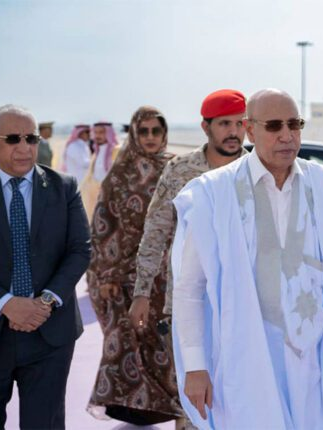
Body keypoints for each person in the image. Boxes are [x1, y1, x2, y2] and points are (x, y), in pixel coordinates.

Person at [170, 89, 323, 429]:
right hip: (245, 359)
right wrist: (195, 366)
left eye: (294, 124)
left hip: (312, 360)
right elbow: (190, 288)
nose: (287, 135)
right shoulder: (214, 193)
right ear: (250, 130)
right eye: (274, 126)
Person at [131, 89, 248, 430]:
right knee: (194, 399)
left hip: (245, 302)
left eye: (240, 123)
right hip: (189, 301)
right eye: (224, 124)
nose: (234, 132)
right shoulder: (181, 170)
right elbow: (156, 230)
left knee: (244, 395)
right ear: (205, 127)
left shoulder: (255, 171)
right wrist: (142, 292)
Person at [0, 104, 90, 429]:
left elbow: (80, 250)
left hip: (49, 334)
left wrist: (45, 302)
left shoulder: (64, 187)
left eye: (31, 138)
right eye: (13, 139)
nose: (24, 148)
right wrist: (6, 304)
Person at [85, 106, 184, 426]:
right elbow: (104, 225)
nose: (151, 137)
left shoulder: (176, 169)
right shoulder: (120, 173)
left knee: (164, 343)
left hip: (168, 276)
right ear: (134, 134)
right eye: (144, 131)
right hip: (125, 278)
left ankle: (166, 407)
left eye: (157, 131)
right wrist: (108, 274)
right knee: (130, 341)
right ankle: (133, 407)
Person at [81, 121, 120, 220]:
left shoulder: (116, 151)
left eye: (101, 132)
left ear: (109, 133)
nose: (98, 136)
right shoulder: (96, 153)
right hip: (95, 197)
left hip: (110, 198)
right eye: (96, 132)